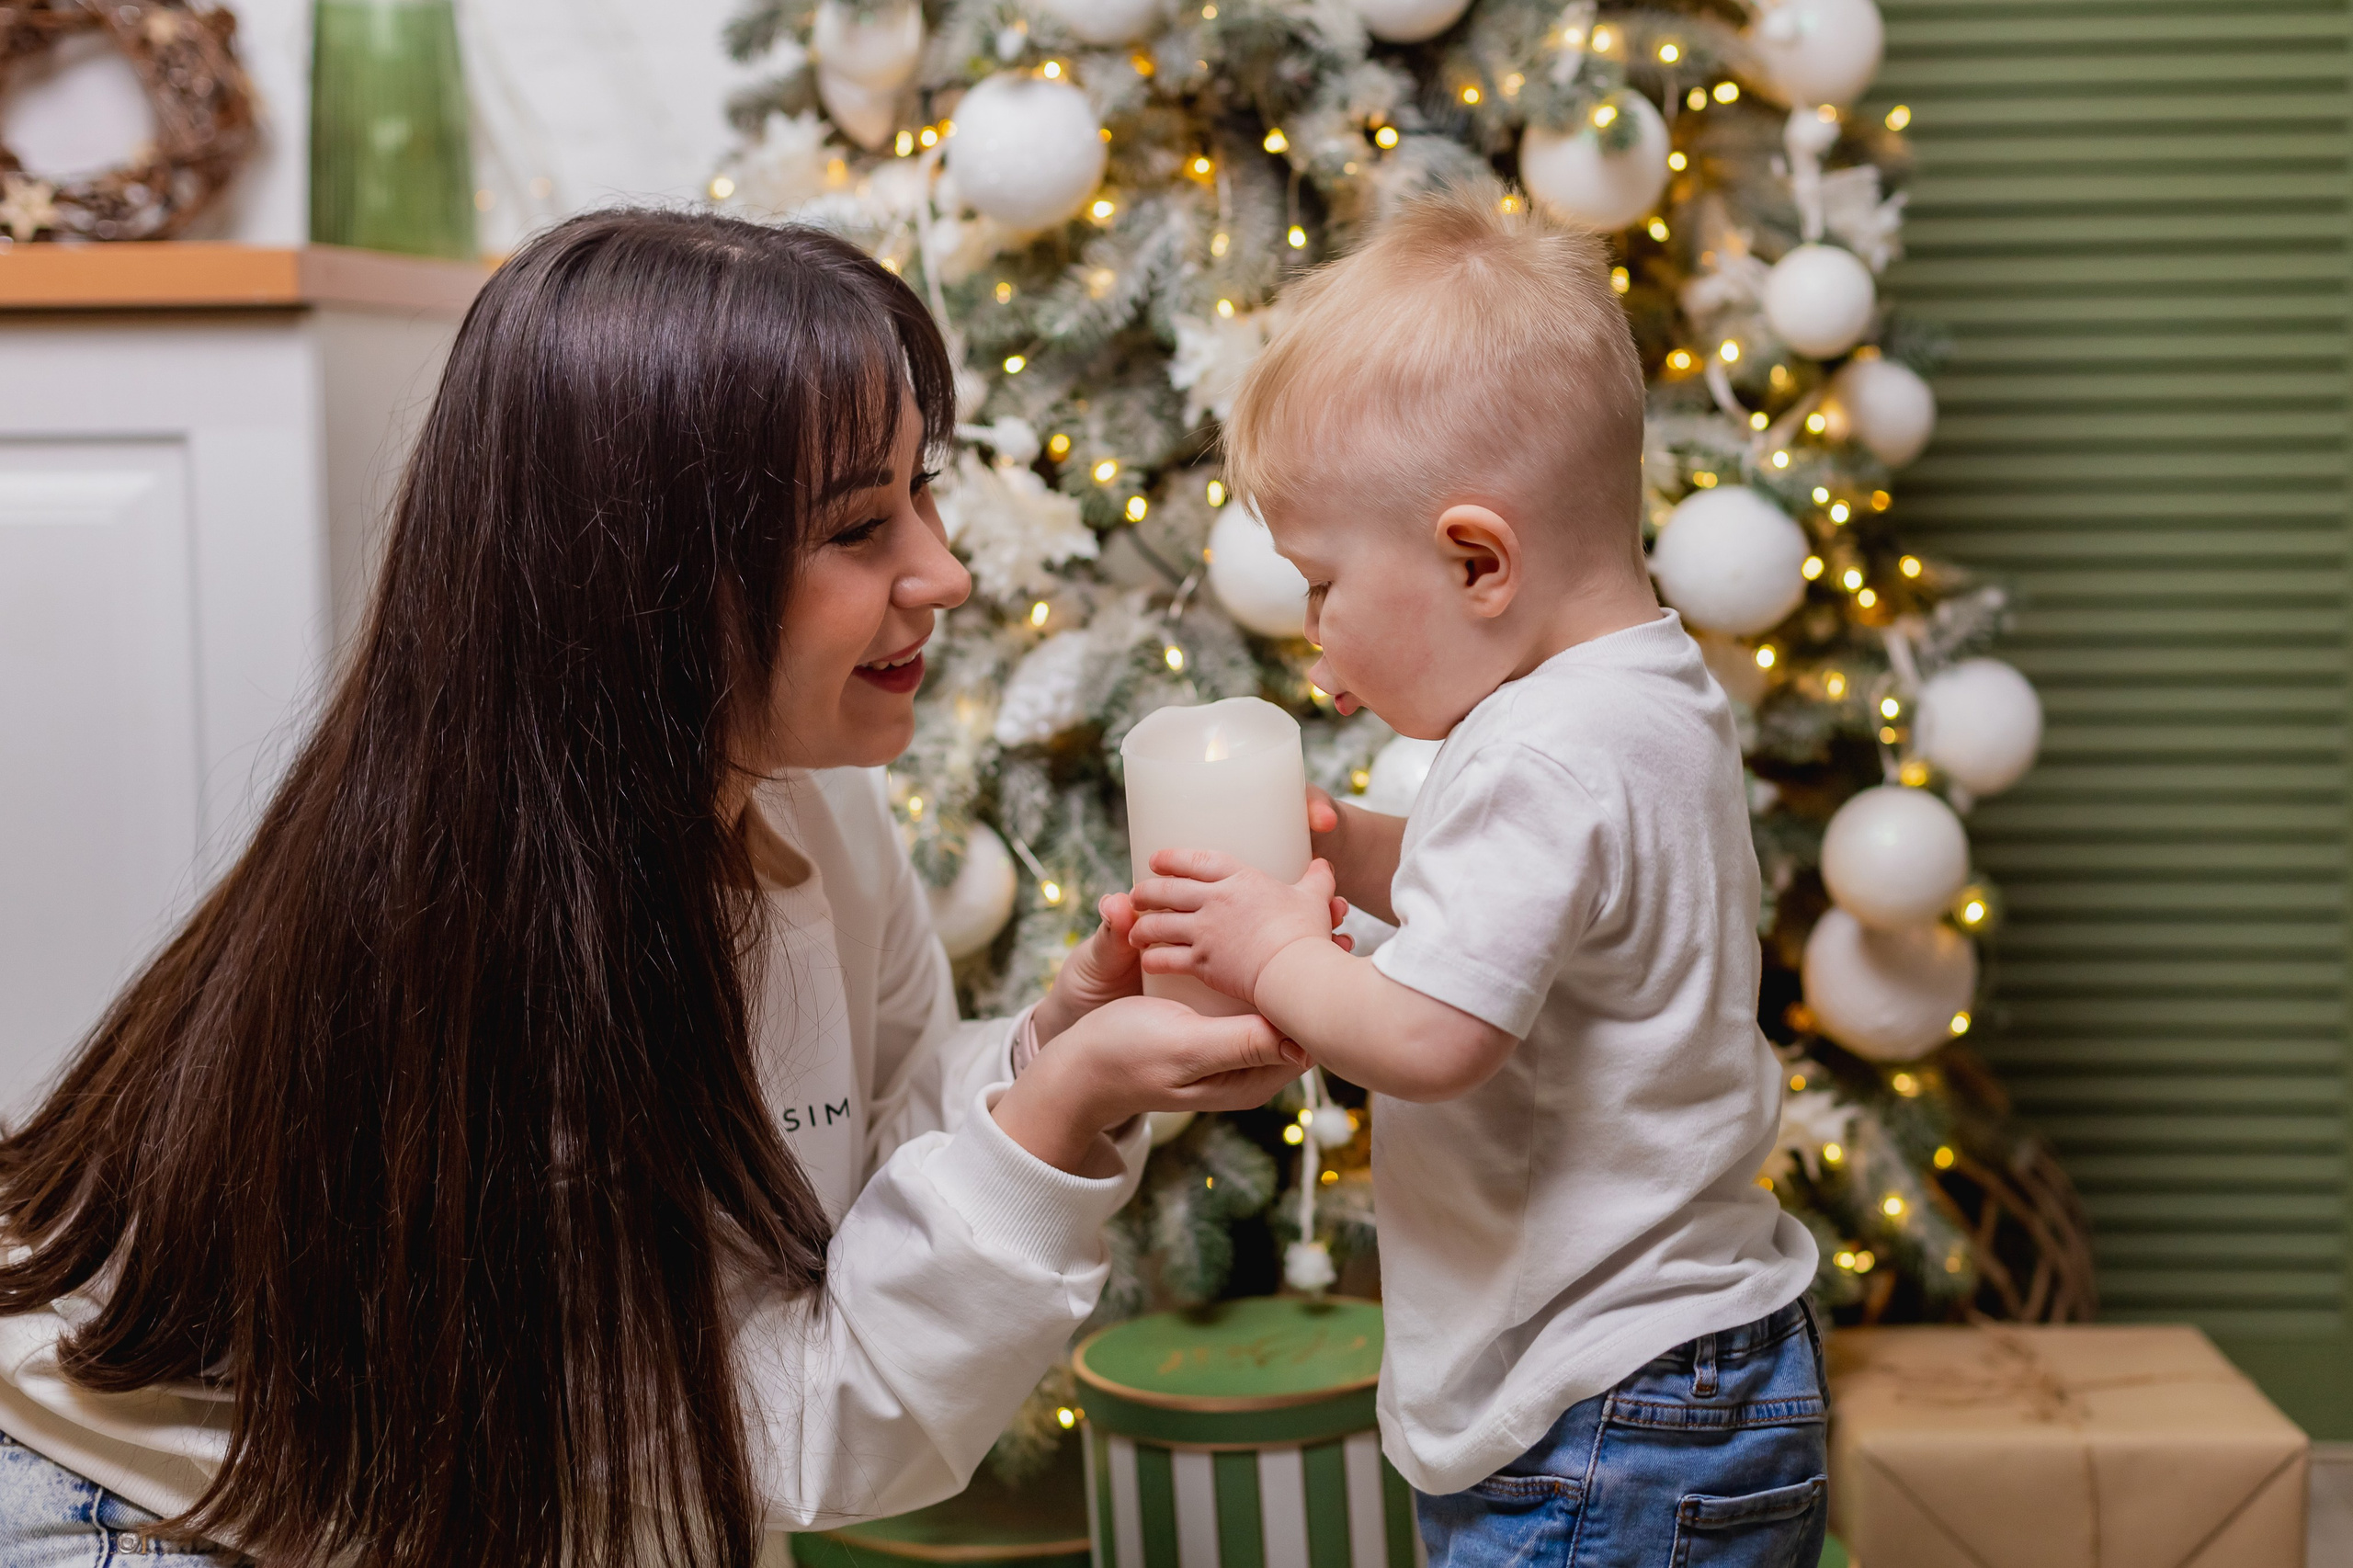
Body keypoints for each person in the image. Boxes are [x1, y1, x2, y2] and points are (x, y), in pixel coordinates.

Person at [0, 210, 1307, 1568]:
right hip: (155, 1517)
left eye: (925, 489)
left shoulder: (803, 800)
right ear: (646, 580)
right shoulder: (495, 968)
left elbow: (860, 1142)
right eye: (861, 526)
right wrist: (1056, 1119)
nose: (945, 571)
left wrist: (1055, 1051)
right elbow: (770, 1437)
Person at [1122, 187, 1827, 1565]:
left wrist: (1275, 951)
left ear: (1476, 559)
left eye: (1323, 584)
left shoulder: (1535, 755)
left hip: (1596, 1410)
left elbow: (1437, 1036)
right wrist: (1363, 854)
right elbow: (1569, 906)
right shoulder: (1644, 696)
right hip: (1703, 1371)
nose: (1312, 630)